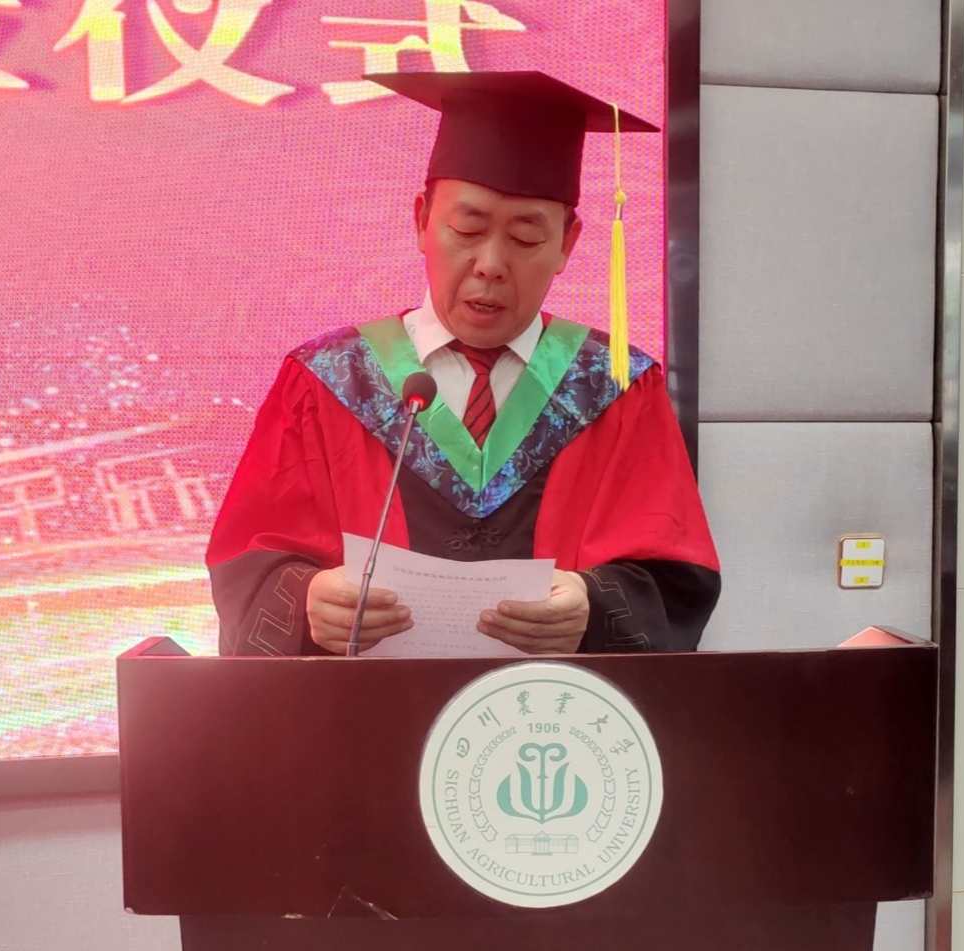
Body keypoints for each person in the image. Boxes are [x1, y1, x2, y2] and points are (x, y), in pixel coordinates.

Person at [207, 71, 720, 657]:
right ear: (422, 221)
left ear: (567, 244)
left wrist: (594, 605)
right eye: (467, 229)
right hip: (371, 709)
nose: (491, 263)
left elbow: (674, 578)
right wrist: (307, 599)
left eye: (526, 239)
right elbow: (250, 568)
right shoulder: (329, 378)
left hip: (555, 709)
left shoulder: (614, 384)